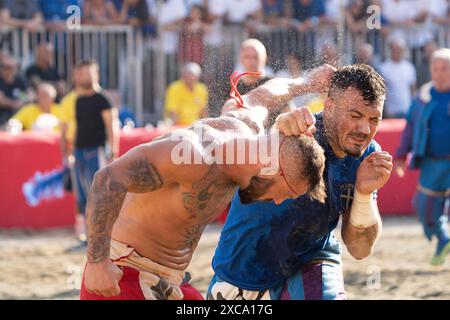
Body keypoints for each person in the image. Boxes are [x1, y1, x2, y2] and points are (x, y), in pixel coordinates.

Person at [80, 65, 335, 300]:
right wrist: (97, 262)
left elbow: (268, 93)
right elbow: (108, 178)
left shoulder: (248, 127)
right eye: (285, 193)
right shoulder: (193, 155)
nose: (278, 201)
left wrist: (309, 81)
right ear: (273, 169)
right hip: (124, 272)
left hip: (169, 281)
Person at [207, 64, 393, 300]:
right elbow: (243, 124)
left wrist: (364, 195)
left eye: (374, 119)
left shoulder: (368, 157)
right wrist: (277, 134)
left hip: (312, 257)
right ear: (329, 107)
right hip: (243, 271)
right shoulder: (294, 132)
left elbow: (359, 249)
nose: (365, 129)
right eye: (355, 116)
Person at [395, 48, 450, 266]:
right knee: (424, 207)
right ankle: (443, 238)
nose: (440, 73)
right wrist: (400, 155)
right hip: (432, 163)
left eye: (445, 68)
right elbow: (410, 128)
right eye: (435, 68)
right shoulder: (423, 97)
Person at [71, 59, 120, 248]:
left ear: (96, 74)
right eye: (81, 73)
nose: (84, 76)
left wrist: (113, 151)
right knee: (83, 197)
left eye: (87, 72)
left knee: (97, 195)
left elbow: (112, 126)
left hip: (96, 151)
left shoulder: (103, 99)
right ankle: (91, 237)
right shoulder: (79, 100)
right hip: (80, 151)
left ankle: (101, 237)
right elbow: (78, 128)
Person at [379, 37, 417, 118]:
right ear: (391, 50)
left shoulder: (409, 67)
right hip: (391, 111)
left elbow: (413, 89)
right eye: (395, 49)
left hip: (407, 110)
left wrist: (414, 109)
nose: (397, 51)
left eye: (400, 49)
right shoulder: (384, 68)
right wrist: (384, 110)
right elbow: (382, 91)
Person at [0, 55, 30, 126]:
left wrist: (22, 101)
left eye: (11, 67)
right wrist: (13, 103)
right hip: (3, 114)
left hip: (20, 113)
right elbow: (1, 100)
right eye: (5, 67)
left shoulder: (20, 80)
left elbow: (30, 95)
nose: (9, 70)